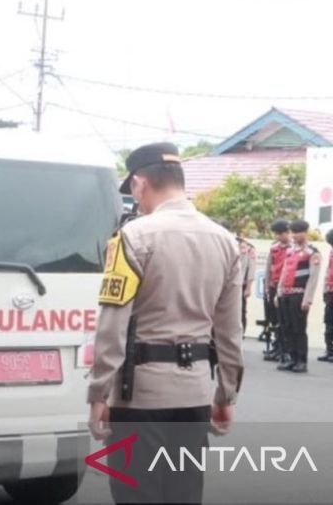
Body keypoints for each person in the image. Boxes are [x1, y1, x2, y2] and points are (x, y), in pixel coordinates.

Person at [88, 142, 244, 505]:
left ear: (140, 184)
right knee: (184, 494)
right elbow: (230, 330)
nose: (136, 201)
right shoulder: (226, 241)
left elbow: (112, 328)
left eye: (135, 192)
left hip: (139, 395)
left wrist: (98, 393)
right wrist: (226, 394)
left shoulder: (133, 238)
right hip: (193, 395)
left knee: (135, 494)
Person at [276, 220, 321, 373]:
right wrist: (278, 292)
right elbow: (284, 273)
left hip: (299, 296)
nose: (294, 235)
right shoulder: (290, 251)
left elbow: (313, 279)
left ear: (305, 233)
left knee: (298, 329)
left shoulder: (312, 252)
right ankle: (291, 358)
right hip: (286, 295)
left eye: (298, 232)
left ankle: (301, 361)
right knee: (286, 328)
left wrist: (307, 299)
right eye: (293, 232)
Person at [263, 219, 291, 361]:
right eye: (276, 234)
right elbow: (268, 268)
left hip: (286, 289)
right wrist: (267, 286)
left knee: (284, 320)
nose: (278, 237)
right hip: (274, 286)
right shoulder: (274, 248)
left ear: (287, 232)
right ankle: (276, 347)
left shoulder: (293, 249)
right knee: (274, 320)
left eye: (280, 234)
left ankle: (285, 349)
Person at [318, 229, 333, 363]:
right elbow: (328, 274)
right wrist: (325, 291)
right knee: (328, 323)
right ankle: (329, 350)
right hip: (330, 294)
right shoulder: (331, 253)